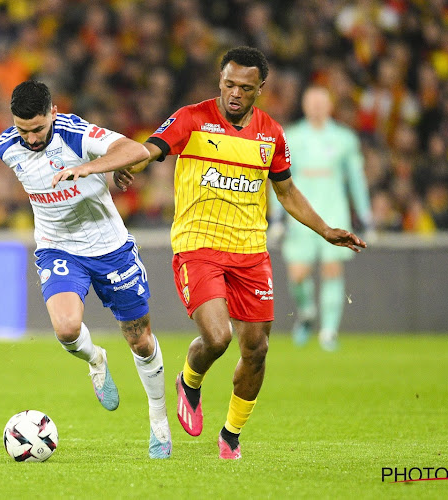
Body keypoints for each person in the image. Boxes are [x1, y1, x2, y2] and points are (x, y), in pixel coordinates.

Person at [53, 47, 366, 459]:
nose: (235, 93)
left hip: (251, 252)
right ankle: (190, 379)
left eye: (245, 88)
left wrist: (325, 229)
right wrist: (118, 165)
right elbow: (151, 148)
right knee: (217, 338)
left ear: (260, 89)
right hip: (197, 246)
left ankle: (231, 434)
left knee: (256, 349)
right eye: (229, 84)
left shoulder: (270, 133)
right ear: (220, 81)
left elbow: (285, 191)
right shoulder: (193, 118)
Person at [0, 80, 171, 459]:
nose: (30, 138)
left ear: (53, 114)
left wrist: (93, 168)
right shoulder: (6, 147)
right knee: (66, 328)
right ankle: (96, 359)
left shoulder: (75, 134)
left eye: (38, 129)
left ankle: (158, 420)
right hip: (58, 248)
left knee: (140, 339)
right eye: (22, 130)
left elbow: (134, 150)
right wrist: (111, 170)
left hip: (110, 248)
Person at [269, 86, 372, 351]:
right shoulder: (290, 136)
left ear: (330, 106)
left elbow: (356, 180)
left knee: (331, 270)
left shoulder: (344, 138)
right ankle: (306, 313)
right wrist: (277, 218)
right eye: (311, 102)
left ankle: (328, 332)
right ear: (304, 106)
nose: (315, 107)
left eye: (320, 102)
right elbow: (278, 179)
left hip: (334, 213)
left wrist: (365, 216)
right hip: (300, 217)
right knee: (298, 275)